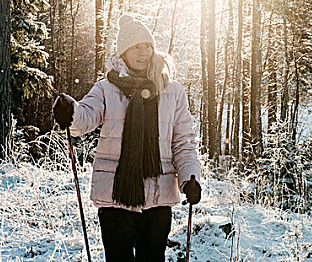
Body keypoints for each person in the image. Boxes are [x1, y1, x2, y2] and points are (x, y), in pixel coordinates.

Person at [53, 14, 201, 262]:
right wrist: (71, 111)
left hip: (158, 198)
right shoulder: (105, 89)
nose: (143, 52)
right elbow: (85, 117)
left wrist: (189, 179)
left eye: (147, 45)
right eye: (135, 47)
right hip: (115, 199)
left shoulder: (173, 91)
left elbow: (183, 141)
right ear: (123, 52)